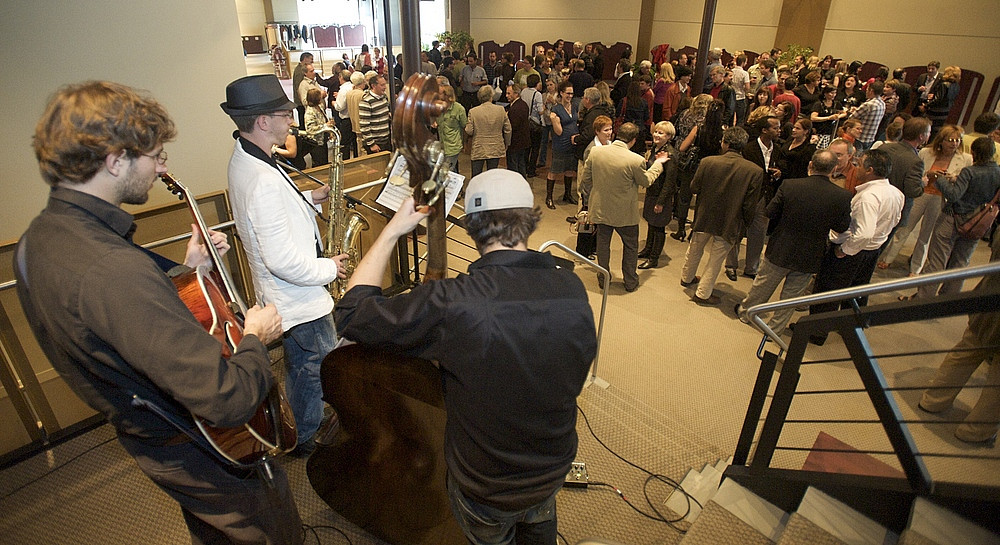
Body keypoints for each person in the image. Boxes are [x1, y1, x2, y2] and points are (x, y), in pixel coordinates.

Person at [17, 80, 301, 544]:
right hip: (194, 445)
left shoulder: (39, 240)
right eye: (156, 155)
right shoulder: (112, 270)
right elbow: (227, 399)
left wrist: (189, 274)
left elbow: (118, 325)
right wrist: (255, 336)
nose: (162, 167)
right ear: (115, 160)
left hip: (149, 437)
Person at [335, 169, 597, 545]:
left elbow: (351, 312)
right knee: (538, 525)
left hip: (486, 487)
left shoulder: (455, 302)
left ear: (472, 227)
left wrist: (392, 230)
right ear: (530, 219)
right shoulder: (571, 286)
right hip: (553, 467)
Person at [222, 74, 349, 454]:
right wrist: (331, 269)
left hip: (283, 295)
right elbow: (281, 260)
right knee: (317, 366)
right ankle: (305, 436)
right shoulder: (261, 178)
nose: (291, 121)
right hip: (298, 297)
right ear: (263, 121)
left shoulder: (247, 156)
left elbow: (267, 216)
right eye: (284, 114)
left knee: (301, 364)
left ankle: (299, 423)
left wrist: (308, 198)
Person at [735, 150, 851, 335]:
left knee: (762, 286)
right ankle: (774, 329)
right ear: (834, 169)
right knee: (791, 297)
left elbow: (770, 212)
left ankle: (747, 314)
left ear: (811, 165)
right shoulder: (843, 196)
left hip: (781, 247)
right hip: (810, 254)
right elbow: (842, 226)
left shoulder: (789, 185)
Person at [806, 148, 903, 345]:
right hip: (872, 251)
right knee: (856, 291)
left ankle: (816, 332)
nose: (855, 167)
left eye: (859, 164)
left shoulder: (869, 197)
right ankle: (849, 327)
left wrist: (844, 250)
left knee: (829, 292)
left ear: (870, 170)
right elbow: (894, 221)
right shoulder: (896, 193)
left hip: (852, 252)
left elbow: (864, 232)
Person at [918, 236, 1000, 444]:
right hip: (992, 300)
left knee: (966, 351)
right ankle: (975, 431)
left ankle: (933, 400)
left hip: (990, 299)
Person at [904, 137, 1000, 301]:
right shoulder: (997, 172)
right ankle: (948, 301)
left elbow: (954, 195)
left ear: (974, 153)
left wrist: (940, 179)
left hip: (952, 219)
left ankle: (923, 299)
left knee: (937, 261)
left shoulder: (969, 172)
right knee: (961, 263)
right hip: (978, 223)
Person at [679, 126, 763, 306]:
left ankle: (687, 277)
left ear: (725, 143)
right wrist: (745, 225)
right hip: (730, 221)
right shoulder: (754, 171)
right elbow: (750, 205)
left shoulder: (707, 162)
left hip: (704, 216)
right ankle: (703, 294)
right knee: (716, 258)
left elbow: (694, 187)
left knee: (695, 248)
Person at [580, 122, 668, 292]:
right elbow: (646, 181)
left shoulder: (596, 152)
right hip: (625, 214)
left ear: (616, 134)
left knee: (602, 244)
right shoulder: (635, 160)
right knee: (630, 246)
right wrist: (659, 163)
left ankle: (603, 278)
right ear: (634, 140)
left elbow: (586, 180)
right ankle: (630, 281)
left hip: (601, 209)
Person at [879, 124, 971, 273]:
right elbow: (916, 173)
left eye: (957, 140)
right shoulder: (926, 152)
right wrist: (929, 174)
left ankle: (916, 268)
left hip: (940, 198)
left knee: (925, 235)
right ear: (941, 140)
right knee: (904, 228)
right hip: (921, 193)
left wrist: (952, 178)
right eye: (950, 140)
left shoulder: (966, 159)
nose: (954, 143)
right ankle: (887, 258)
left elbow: (964, 181)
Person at [638, 121, 680, 269]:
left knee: (658, 227)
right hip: (652, 192)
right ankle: (648, 249)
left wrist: (661, 202)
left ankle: (654, 258)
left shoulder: (670, 155)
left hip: (661, 196)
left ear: (669, 136)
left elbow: (669, 182)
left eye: (661, 133)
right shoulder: (656, 149)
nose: (656, 135)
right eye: (656, 131)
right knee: (651, 223)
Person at [466, 84, 511, 179]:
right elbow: (508, 129)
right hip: (495, 146)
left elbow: (469, 131)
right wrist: (507, 143)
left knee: (476, 177)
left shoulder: (473, 111)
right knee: (492, 176)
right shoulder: (500, 110)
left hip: (479, 147)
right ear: (491, 96)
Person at [547, 80, 580, 209]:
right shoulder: (556, 109)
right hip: (561, 143)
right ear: (561, 93)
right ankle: (549, 197)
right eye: (568, 93)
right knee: (555, 170)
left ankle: (567, 194)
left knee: (570, 169)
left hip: (573, 144)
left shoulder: (574, 106)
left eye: (572, 93)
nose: (570, 96)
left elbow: (576, 121)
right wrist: (554, 120)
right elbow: (558, 131)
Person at [358, 74, 392, 154]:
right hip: (375, 143)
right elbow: (364, 126)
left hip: (385, 140)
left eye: (385, 84)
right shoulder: (366, 101)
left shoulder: (384, 97)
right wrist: (372, 144)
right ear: (373, 86)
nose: (385, 87)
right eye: (382, 85)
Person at [303, 88, 333, 167]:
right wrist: (325, 125)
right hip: (316, 143)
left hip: (323, 140)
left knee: (324, 162)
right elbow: (310, 129)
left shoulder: (320, 107)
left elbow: (324, 119)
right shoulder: (309, 112)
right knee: (319, 164)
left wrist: (329, 131)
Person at [506, 83, 531, 178]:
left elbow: (512, 126)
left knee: (513, 167)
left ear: (516, 94)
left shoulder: (516, 108)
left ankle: (515, 183)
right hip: (523, 142)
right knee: (521, 165)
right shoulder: (523, 104)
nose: (507, 96)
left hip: (515, 142)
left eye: (509, 93)